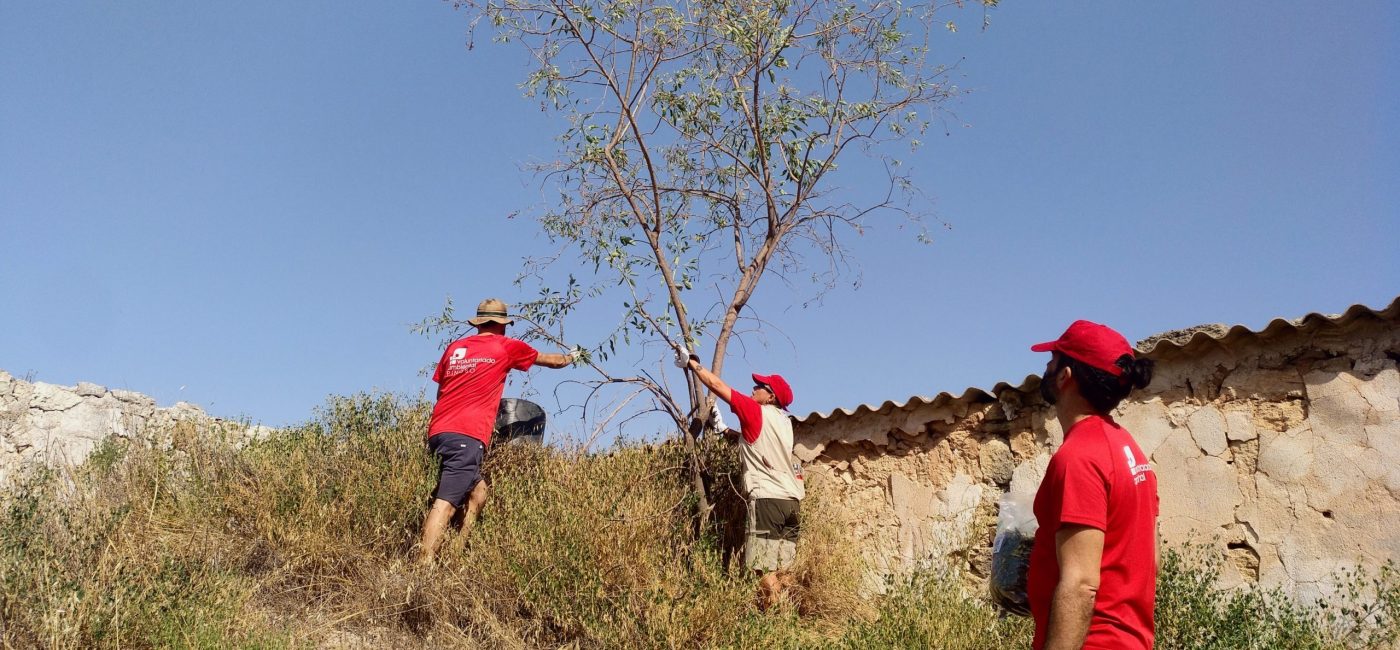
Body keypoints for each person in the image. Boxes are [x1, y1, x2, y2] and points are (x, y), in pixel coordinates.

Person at [1027, 320, 1158, 649]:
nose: (1046, 365)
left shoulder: (1078, 458)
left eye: (1054, 358)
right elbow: (1150, 558)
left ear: (1065, 376)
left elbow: (1081, 583)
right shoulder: (1127, 448)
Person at [417, 298, 575, 565]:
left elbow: (440, 390)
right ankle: (424, 565)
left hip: (439, 431)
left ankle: (457, 552)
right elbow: (554, 361)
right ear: (503, 324)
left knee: (479, 491)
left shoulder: (456, 348)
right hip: (467, 434)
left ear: (479, 323)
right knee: (445, 503)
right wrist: (574, 355)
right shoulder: (505, 346)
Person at [675, 345, 804, 609]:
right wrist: (722, 429)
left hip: (767, 500)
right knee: (785, 570)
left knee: (764, 570)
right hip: (791, 502)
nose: (754, 387)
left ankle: (772, 626)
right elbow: (754, 443)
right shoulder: (784, 422)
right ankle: (790, 619)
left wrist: (693, 364)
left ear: (770, 397)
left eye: (761, 386)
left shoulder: (754, 410)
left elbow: (718, 385)